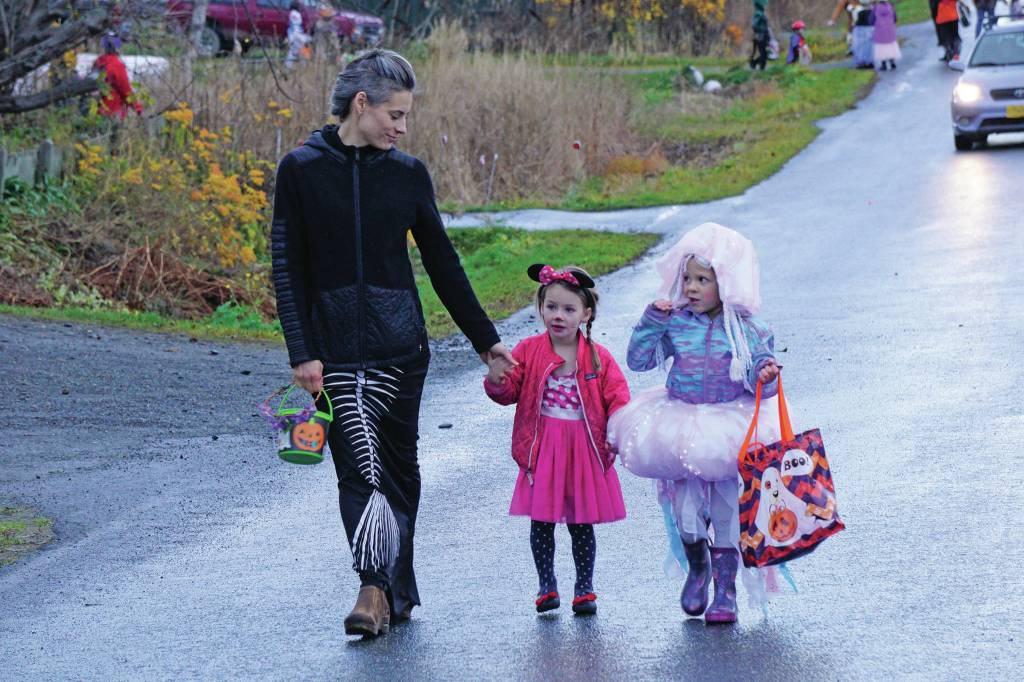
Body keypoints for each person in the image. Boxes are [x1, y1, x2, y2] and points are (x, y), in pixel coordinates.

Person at [270, 49, 516, 638]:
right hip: (333, 355)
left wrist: (486, 342)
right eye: (395, 116)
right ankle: (372, 587)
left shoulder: (407, 174)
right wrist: (301, 352)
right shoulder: (301, 169)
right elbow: (287, 268)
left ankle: (395, 587)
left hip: (401, 352)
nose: (402, 129)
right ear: (362, 105)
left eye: (406, 118)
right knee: (359, 470)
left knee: (400, 472)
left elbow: (442, 262)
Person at [607, 222, 783, 624]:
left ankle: (725, 589)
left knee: (724, 512)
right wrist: (651, 321)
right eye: (686, 278)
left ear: (727, 283)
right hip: (681, 421)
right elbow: (639, 361)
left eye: (702, 279)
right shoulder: (675, 321)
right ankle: (697, 569)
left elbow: (758, 376)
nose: (690, 287)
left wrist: (766, 376)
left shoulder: (748, 329)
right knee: (687, 512)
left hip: (727, 426)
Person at [484, 265, 629, 616]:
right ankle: (546, 585)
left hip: (583, 448)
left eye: (568, 309)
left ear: (586, 314)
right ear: (541, 307)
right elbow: (510, 391)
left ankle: (584, 587)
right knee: (542, 520)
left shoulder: (598, 357)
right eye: (551, 307)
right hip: (544, 446)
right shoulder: (530, 350)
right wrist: (496, 379)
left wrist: (624, 429)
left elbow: (618, 398)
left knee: (581, 521)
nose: (558, 316)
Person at [92, 32, 142, 119]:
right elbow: (125, 89)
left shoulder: (98, 62)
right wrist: (137, 107)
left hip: (96, 111)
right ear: (117, 47)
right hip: (112, 111)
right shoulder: (117, 65)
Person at [872, 0, 901, 71]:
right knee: (890, 46)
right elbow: (895, 18)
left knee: (881, 47)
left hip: (879, 30)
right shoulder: (890, 7)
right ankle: (892, 62)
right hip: (890, 29)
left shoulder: (875, 8)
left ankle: (883, 64)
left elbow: (871, 19)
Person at [285, 1, 311, 70]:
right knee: (301, 50)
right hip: (296, 35)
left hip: (294, 35)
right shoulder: (295, 14)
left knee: (294, 52)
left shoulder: (293, 13)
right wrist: (300, 38)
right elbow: (295, 27)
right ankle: (304, 66)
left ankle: (289, 68)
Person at [851, 0, 876, 68]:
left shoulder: (860, 12)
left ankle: (862, 63)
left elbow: (857, 22)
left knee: (860, 47)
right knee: (869, 47)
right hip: (870, 29)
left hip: (861, 30)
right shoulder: (872, 11)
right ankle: (870, 62)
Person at [750, 0, 771, 70]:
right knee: (763, 53)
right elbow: (754, 25)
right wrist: (761, 20)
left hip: (764, 35)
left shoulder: (762, 13)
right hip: (760, 36)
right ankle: (758, 65)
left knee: (765, 53)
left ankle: (756, 63)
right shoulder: (758, 14)